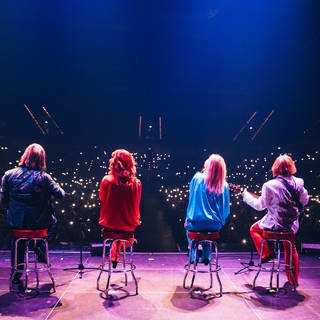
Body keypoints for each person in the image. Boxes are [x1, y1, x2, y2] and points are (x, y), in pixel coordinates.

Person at [0, 143, 67, 291]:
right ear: (42, 159)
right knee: (53, 223)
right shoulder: (44, 177)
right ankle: (38, 248)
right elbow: (61, 194)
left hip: (17, 224)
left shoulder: (8, 175)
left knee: (18, 242)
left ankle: (16, 278)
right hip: (39, 225)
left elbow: (3, 201)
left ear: (25, 156)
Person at [242, 154, 309, 286]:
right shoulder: (299, 182)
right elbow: (304, 201)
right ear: (291, 167)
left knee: (254, 229)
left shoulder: (269, 185)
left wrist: (245, 195)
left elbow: (259, 206)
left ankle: (267, 252)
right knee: (291, 248)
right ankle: (293, 280)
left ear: (275, 168)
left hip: (275, 226)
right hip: (291, 226)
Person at [98, 149, 142, 268]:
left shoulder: (106, 181)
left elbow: (101, 198)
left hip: (109, 224)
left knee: (116, 228)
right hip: (128, 226)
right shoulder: (137, 183)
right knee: (123, 229)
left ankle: (114, 257)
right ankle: (115, 255)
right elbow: (136, 204)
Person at [185, 154, 230, 265]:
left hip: (196, 224)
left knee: (190, 228)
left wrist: (188, 218)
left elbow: (192, 202)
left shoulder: (197, 178)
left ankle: (192, 256)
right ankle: (206, 256)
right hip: (214, 225)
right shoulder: (224, 185)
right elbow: (225, 210)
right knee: (208, 229)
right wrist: (220, 222)